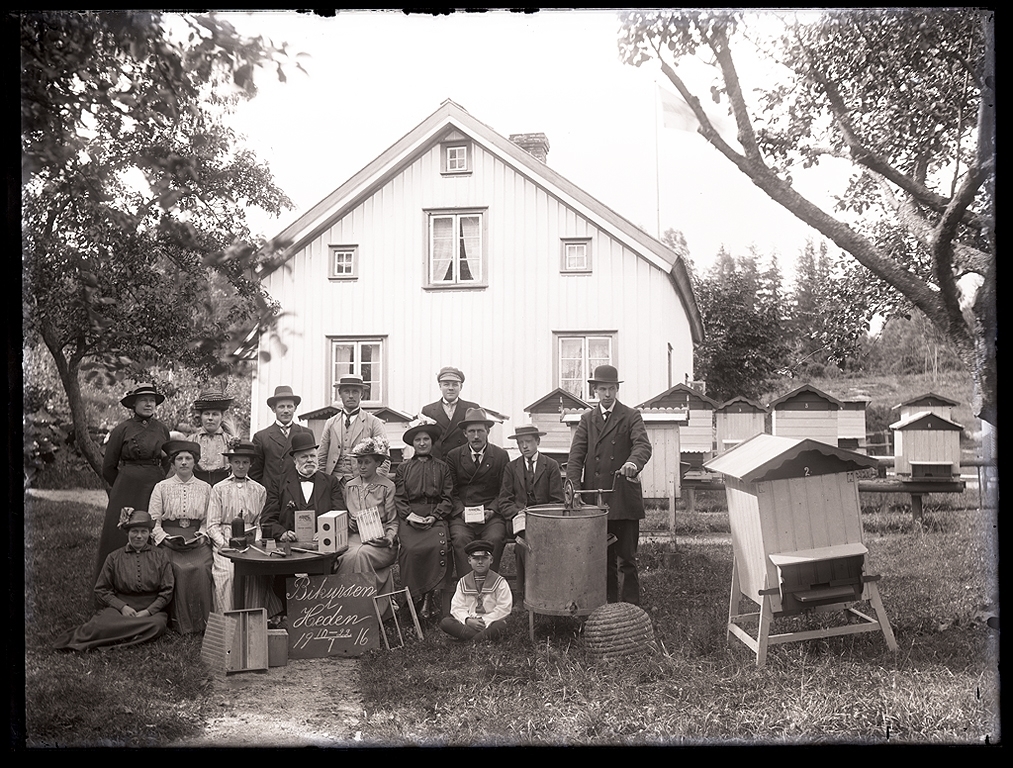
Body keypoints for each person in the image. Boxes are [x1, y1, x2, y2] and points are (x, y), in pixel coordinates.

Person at [566, 365, 652, 605]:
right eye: (602, 389)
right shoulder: (587, 420)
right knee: (602, 557)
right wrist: (573, 489)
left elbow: (643, 446)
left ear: (617, 389)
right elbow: (575, 457)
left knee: (626, 558)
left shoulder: (630, 416)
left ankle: (631, 610)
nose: (607, 394)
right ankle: (606, 608)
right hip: (595, 498)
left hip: (622, 495)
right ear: (595, 390)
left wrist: (633, 463)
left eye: (611, 389)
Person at [55, 509, 174, 651]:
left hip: (150, 610)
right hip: (122, 608)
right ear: (127, 533)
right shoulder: (114, 557)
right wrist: (122, 607)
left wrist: (148, 611)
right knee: (100, 625)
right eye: (134, 531)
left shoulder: (160, 556)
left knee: (157, 626)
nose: (139, 536)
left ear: (149, 533)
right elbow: (101, 589)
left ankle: (119, 637)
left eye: (144, 532)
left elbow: (167, 591)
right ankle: (132, 635)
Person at [95, 383, 171, 585]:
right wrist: (124, 484)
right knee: (122, 533)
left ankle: (153, 584)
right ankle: (117, 584)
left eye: (152, 400)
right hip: (127, 488)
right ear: (134, 404)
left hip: (155, 486)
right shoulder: (122, 429)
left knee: (154, 529)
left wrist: (157, 477)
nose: (149, 404)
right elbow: (108, 467)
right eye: (144, 400)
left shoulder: (162, 429)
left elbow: (167, 459)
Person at [206, 440, 280, 618]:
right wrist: (224, 544)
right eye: (237, 462)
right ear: (230, 463)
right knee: (229, 575)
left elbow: (261, 521)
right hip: (226, 540)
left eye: (245, 462)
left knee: (256, 574)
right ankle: (229, 620)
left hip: (251, 540)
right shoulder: (219, 488)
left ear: (250, 464)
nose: (241, 466)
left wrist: (257, 543)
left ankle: (254, 619)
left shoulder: (259, 489)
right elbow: (212, 524)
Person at [148, 440, 214, 634]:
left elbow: (209, 519)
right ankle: (180, 623)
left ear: (195, 462)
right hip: (170, 541)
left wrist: (202, 536)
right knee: (178, 569)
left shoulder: (206, 488)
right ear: (173, 463)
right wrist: (164, 538)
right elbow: (153, 520)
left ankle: (203, 623)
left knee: (203, 567)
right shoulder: (161, 487)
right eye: (179, 459)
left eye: (188, 458)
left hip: (196, 541)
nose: (184, 462)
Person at [393, 420, 454, 618]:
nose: (422, 443)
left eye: (426, 439)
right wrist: (409, 516)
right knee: (410, 550)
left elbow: (447, 497)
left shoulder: (442, 467)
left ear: (431, 441)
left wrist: (435, 516)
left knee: (436, 547)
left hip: (435, 515)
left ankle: (428, 597)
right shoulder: (403, 468)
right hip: (411, 516)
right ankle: (413, 598)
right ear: (412, 443)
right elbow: (400, 498)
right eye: (418, 440)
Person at [497, 424, 564, 596]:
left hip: (544, 520)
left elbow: (557, 500)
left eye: (528, 442)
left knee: (544, 544)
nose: (524, 446)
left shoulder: (551, 466)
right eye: (520, 443)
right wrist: (517, 512)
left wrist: (539, 515)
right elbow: (504, 500)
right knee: (522, 546)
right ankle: (523, 593)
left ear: (538, 441)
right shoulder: (511, 468)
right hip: (519, 521)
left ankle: (547, 589)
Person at [338, 437, 399, 617]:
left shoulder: (387, 486)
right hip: (355, 537)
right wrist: (348, 522)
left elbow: (393, 520)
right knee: (343, 554)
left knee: (359, 555)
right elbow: (345, 513)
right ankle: (343, 609)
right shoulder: (349, 486)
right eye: (359, 462)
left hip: (379, 541)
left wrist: (389, 537)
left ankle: (365, 613)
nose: (362, 466)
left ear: (378, 463)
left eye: (367, 462)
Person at [445, 408, 510, 575]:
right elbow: (451, 491)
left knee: (495, 538)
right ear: (465, 434)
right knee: (460, 538)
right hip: (463, 514)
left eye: (480, 431)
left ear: (487, 431)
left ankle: (490, 584)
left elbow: (504, 490)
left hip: (490, 514)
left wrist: (492, 510)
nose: (476, 436)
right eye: (471, 431)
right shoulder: (454, 456)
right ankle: (467, 586)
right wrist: (461, 513)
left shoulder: (500, 455)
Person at [261, 432, 345, 541]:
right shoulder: (278, 483)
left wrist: (326, 532)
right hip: (289, 549)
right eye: (304, 457)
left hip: (323, 547)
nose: (309, 460)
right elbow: (267, 519)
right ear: (295, 460)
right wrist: (282, 533)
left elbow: (340, 515)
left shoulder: (330, 482)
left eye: (313, 456)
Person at [317, 374, 390, 485]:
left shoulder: (374, 422)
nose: (351, 396)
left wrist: (372, 485)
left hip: (362, 485)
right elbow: (321, 457)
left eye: (355, 391)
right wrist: (322, 483)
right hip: (333, 484)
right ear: (339, 394)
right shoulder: (330, 423)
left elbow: (385, 459)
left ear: (362, 394)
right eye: (346, 391)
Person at [438, 539, 512, 643]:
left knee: (501, 625)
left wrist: (485, 622)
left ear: (491, 560)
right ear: (469, 560)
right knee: (446, 622)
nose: (480, 562)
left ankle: (465, 641)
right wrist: (468, 620)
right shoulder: (463, 582)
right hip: (469, 623)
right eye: (476, 558)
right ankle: (481, 639)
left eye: (484, 558)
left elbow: (504, 607)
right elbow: (457, 607)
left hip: (490, 623)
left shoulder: (499, 582)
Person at [250, 385, 315, 494]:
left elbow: (311, 465)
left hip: (298, 492)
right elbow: (255, 473)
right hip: (272, 495)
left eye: (289, 406)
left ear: (295, 408)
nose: (286, 411)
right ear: (273, 409)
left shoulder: (306, 433)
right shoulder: (261, 437)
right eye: (281, 407)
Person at [420, 367, 480, 460]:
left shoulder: (472, 408)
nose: (450, 388)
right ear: (440, 386)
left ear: (461, 387)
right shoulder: (428, 410)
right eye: (446, 384)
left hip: (464, 464)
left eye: (455, 384)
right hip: (438, 464)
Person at [191, 389, 236, 486]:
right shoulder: (191, 440)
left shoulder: (230, 441)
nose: (210, 418)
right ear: (201, 416)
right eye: (207, 414)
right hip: (197, 485)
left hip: (224, 486)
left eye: (215, 414)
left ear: (222, 417)